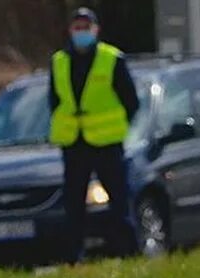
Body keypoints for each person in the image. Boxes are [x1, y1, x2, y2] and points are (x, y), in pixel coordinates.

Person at [49, 7, 141, 263]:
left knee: (119, 201)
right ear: (70, 30)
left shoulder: (112, 59)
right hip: (73, 141)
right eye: (77, 27)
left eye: (85, 27)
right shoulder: (58, 61)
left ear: (96, 30)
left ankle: (128, 253)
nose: (81, 32)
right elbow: (54, 100)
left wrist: (117, 127)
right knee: (73, 205)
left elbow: (130, 101)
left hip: (107, 142)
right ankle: (73, 258)